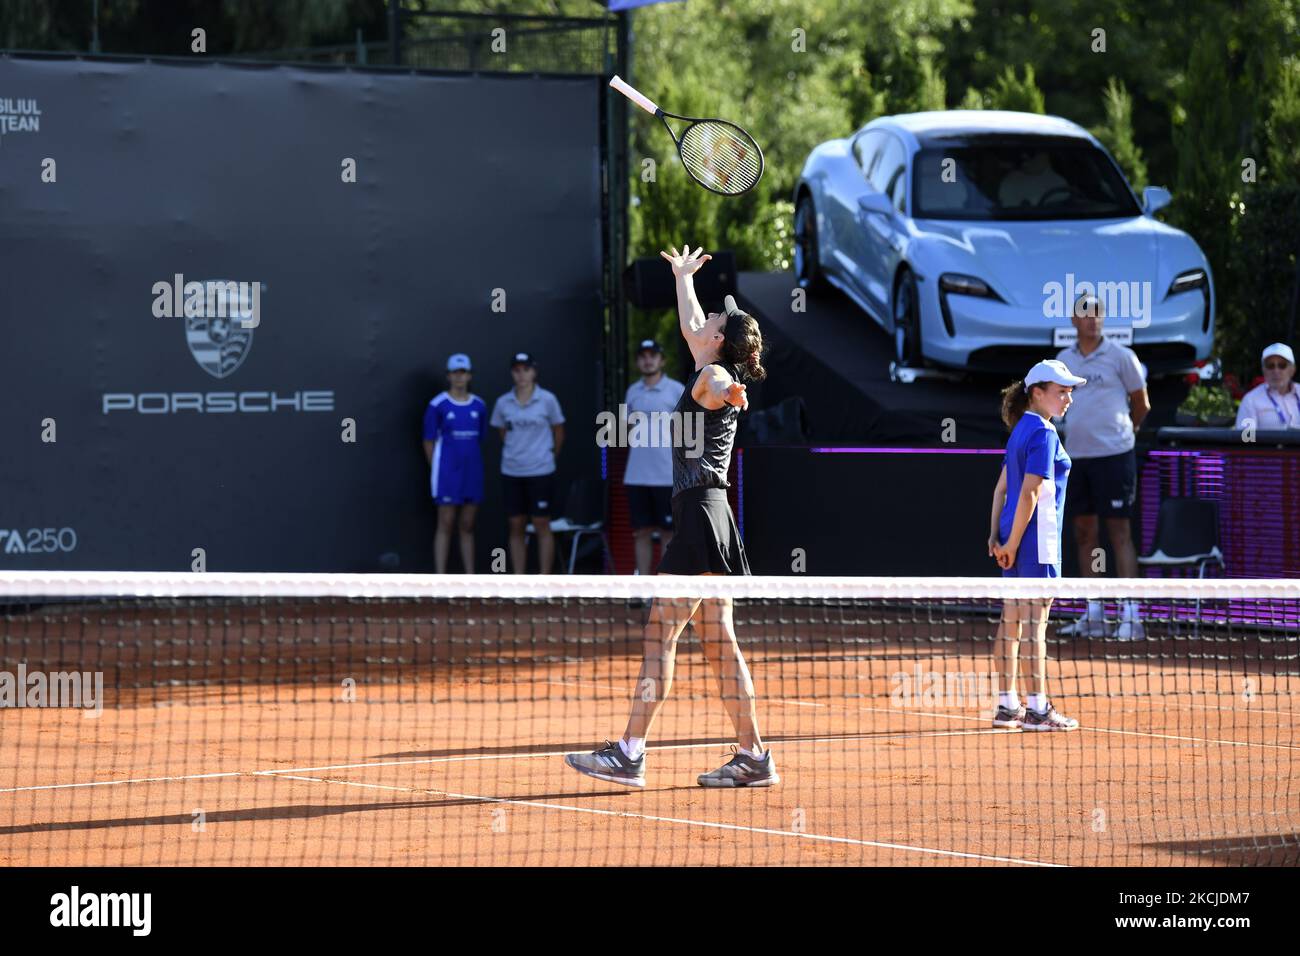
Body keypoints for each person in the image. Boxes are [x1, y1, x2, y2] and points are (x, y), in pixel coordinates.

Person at [565, 245, 777, 788]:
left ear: (720, 341)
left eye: (713, 319)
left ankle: (631, 752)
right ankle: (753, 756)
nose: (702, 319)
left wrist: (734, 390)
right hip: (711, 514)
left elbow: (723, 386)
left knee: (661, 633)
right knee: (717, 641)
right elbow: (690, 326)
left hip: (702, 515)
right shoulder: (706, 362)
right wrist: (682, 277)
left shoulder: (714, 380)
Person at [988, 359, 1085, 732]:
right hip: (1037, 545)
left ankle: (1007, 705)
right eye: (1061, 391)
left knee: (1010, 621)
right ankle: (1039, 710)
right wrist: (1011, 542)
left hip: (1013, 541)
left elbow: (1001, 490)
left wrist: (996, 537)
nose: (1068, 398)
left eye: (1070, 391)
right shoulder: (1043, 434)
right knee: (1034, 627)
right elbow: (1027, 493)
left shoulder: (1019, 432)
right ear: (1037, 393)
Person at [1055, 294, 1151, 641]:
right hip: (1077, 458)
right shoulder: (1063, 361)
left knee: (1119, 534)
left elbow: (1141, 403)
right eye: (1085, 314)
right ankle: (1094, 612)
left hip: (1115, 457)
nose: (1092, 319)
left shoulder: (1121, 357)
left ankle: (1130, 614)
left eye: (1097, 314)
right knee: (1085, 535)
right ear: (1074, 321)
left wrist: (1127, 433)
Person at [490, 353, 565, 574]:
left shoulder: (548, 400)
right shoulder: (503, 402)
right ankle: (519, 582)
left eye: (526, 369)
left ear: (534, 372)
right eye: (517, 370)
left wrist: (547, 456)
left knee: (542, 523)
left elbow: (559, 432)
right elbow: (502, 432)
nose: (521, 374)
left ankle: (544, 581)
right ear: (512, 373)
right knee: (516, 525)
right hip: (512, 471)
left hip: (541, 471)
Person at [623, 339, 685, 576]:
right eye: (643, 356)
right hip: (636, 476)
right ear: (638, 361)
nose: (648, 360)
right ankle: (644, 587)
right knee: (641, 532)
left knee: (669, 533)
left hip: (667, 476)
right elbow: (626, 428)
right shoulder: (632, 391)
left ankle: (664, 589)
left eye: (652, 355)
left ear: (662, 360)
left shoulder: (677, 390)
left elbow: (687, 429)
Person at [422, 353, 487, 573]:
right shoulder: (437, 405)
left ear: (469, 376)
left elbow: (481, 438)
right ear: (448, 376)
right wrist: (439, 470)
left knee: (467, 524)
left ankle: (470, 579)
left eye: (463, 373)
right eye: (455, 373)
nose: (459, 378)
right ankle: (440, 579)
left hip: (472, 472)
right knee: (446, 523)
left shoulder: (479, 405)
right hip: (447, 473)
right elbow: (429, 441)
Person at [1235, 343, 1300, 430]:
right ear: (1263, 370)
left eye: (1282, 365)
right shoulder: (1250, 400)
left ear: (1292, 369)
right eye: (1270, 366)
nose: (1276, 371)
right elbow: (1246, 439)